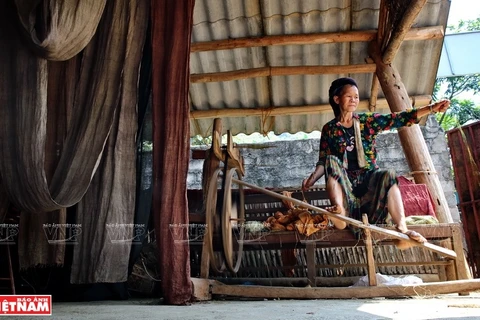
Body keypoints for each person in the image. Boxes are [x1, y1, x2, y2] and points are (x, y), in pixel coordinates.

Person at [302, 77, 450, 249]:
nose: (354, 100)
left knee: (388, 175)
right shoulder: (329, 129)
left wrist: (431, 108)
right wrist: (312, 179)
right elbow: (324, 160)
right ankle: (339, 212)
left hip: (369, 187)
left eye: (356, 97)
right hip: (347, 189)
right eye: (349, 96)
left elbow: (397, 119)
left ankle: (402, 229)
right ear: (337, 99)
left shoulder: (367, 122)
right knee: (331, 160)